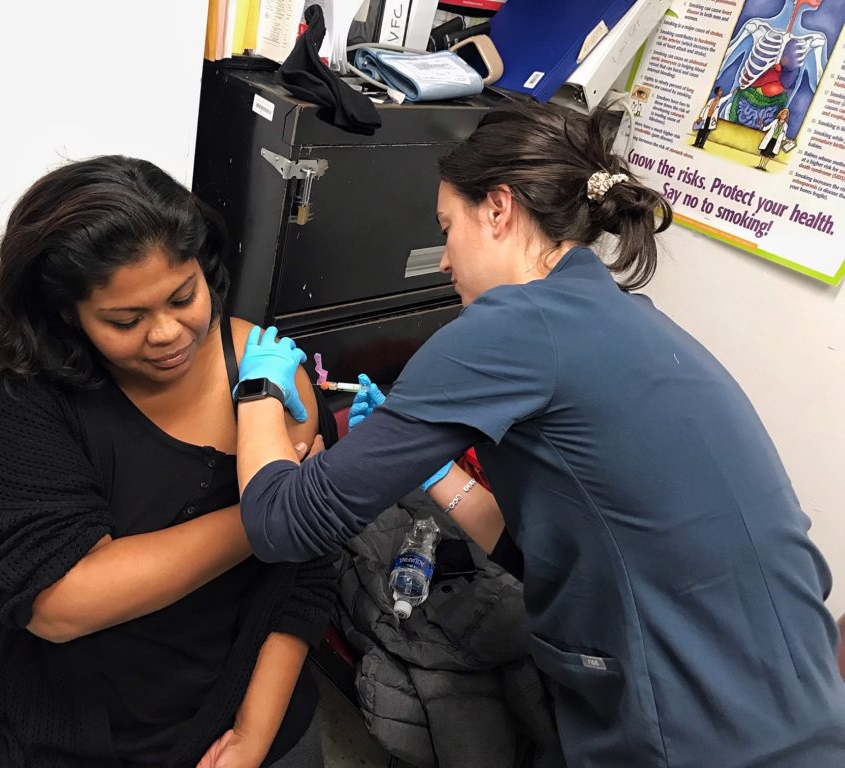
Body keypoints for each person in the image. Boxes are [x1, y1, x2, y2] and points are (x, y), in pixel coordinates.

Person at [229, 100, 845, 767]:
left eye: (447, 227)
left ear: (498, 209)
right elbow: (544, 552)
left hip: (695, 730)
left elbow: (282, 522)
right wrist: (434, 473)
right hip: (800, 706)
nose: (441, 262)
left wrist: (257, 384)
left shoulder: (509, 329)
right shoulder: (626, 321)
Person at [0, 156, 338, 768]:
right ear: (67, 313)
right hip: (53, 706)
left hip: (235, 685)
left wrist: (253, 731)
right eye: (125, 320)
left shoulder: (266, 371)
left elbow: (305, 572)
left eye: (183, 296)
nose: (167, 333)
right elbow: (59, 605)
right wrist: (272, 513)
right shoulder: (12, 396)